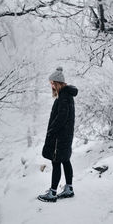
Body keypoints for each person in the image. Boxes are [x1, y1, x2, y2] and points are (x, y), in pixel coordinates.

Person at [37, 66, 78, 202]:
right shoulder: (66, 96)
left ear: (58, 83)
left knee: (56, 162)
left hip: (59, 137)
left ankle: (52, 193)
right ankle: (69, 189)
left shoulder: (64, 98)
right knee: (65, 160)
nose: (51, 85)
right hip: (65, 136)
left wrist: (51, 131)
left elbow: (61, 117)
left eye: (52, 83)